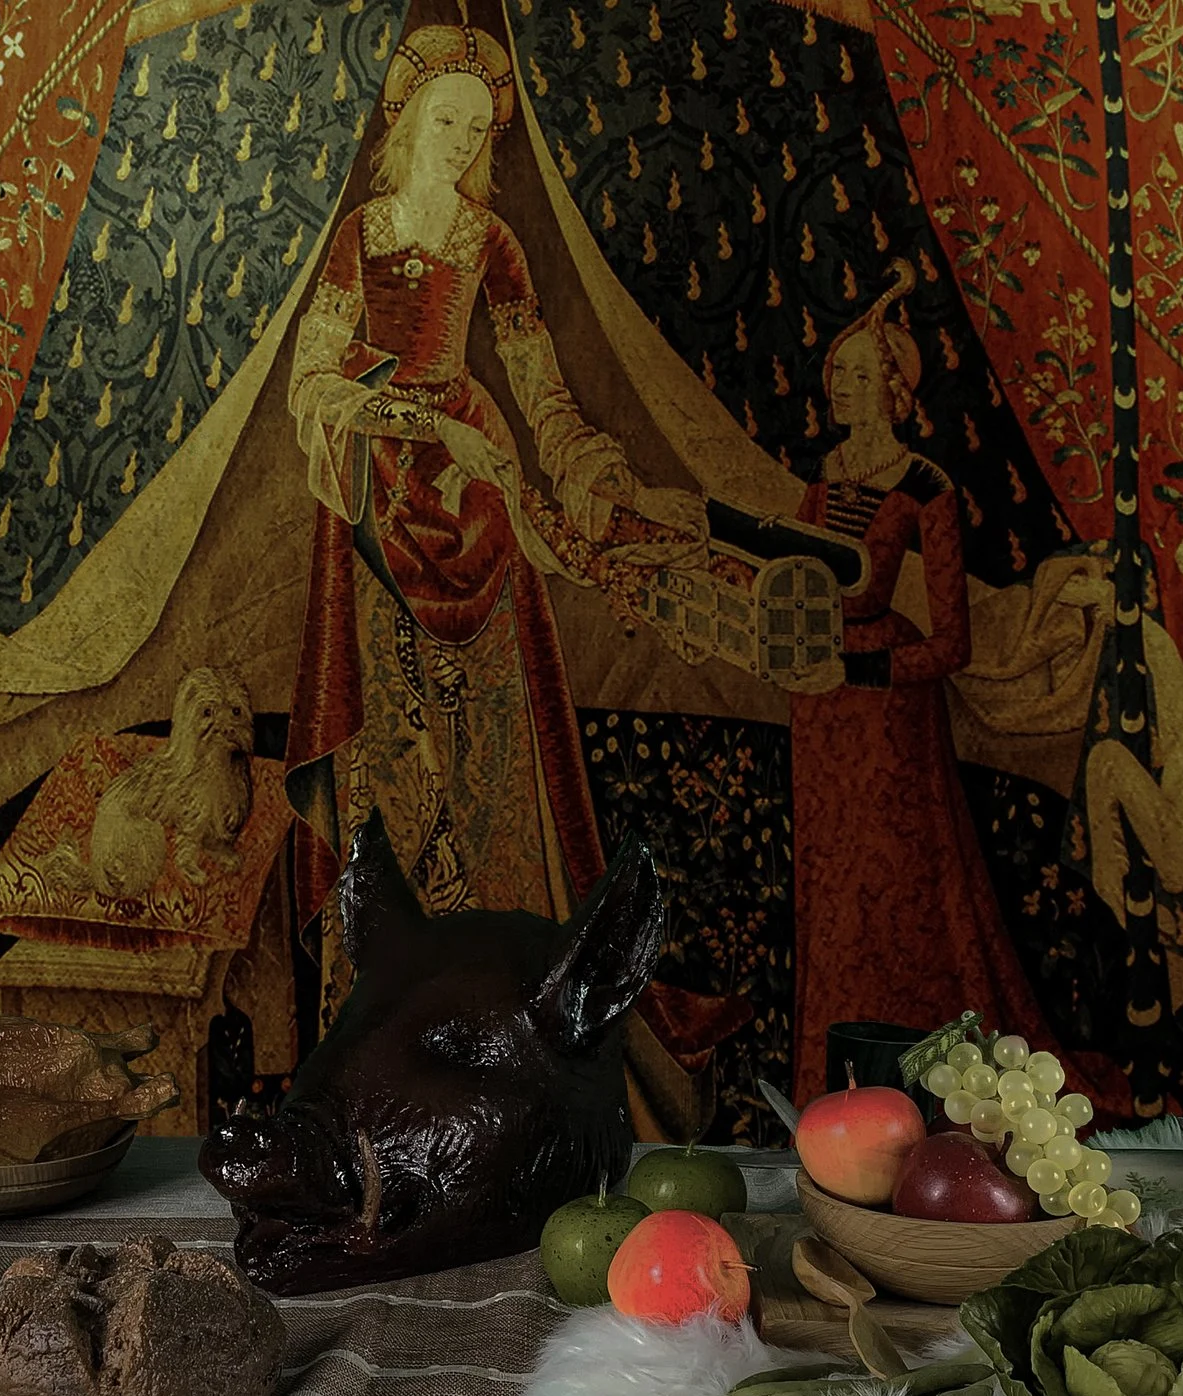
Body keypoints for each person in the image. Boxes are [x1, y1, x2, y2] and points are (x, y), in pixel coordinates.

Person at [283, 22, 701, 1008]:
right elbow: (312, 378)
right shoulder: (362, 234)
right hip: (379, 498)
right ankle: (382, 991)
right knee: (392, 730)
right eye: (447, 119)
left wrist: (589, 465)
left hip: (477, 499)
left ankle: (500, 981)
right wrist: (420, 423)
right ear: (411, 121)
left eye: (477, 127)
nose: (463, 141)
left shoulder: (491, 242)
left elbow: (540, 388)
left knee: (490, 737)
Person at [789, 293, 1063, 1099]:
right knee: (832, 889)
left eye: (857, 372)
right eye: (836, 370)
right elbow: (798, 587)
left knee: (895, 889)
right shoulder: (825, 477)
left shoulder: (925, 484)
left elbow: (953, 644)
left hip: (888, 716)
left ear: (894, 388)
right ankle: (829, 1084)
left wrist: (869, 673)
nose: (838, 383)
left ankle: (918, 1082)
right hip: (819, 710)